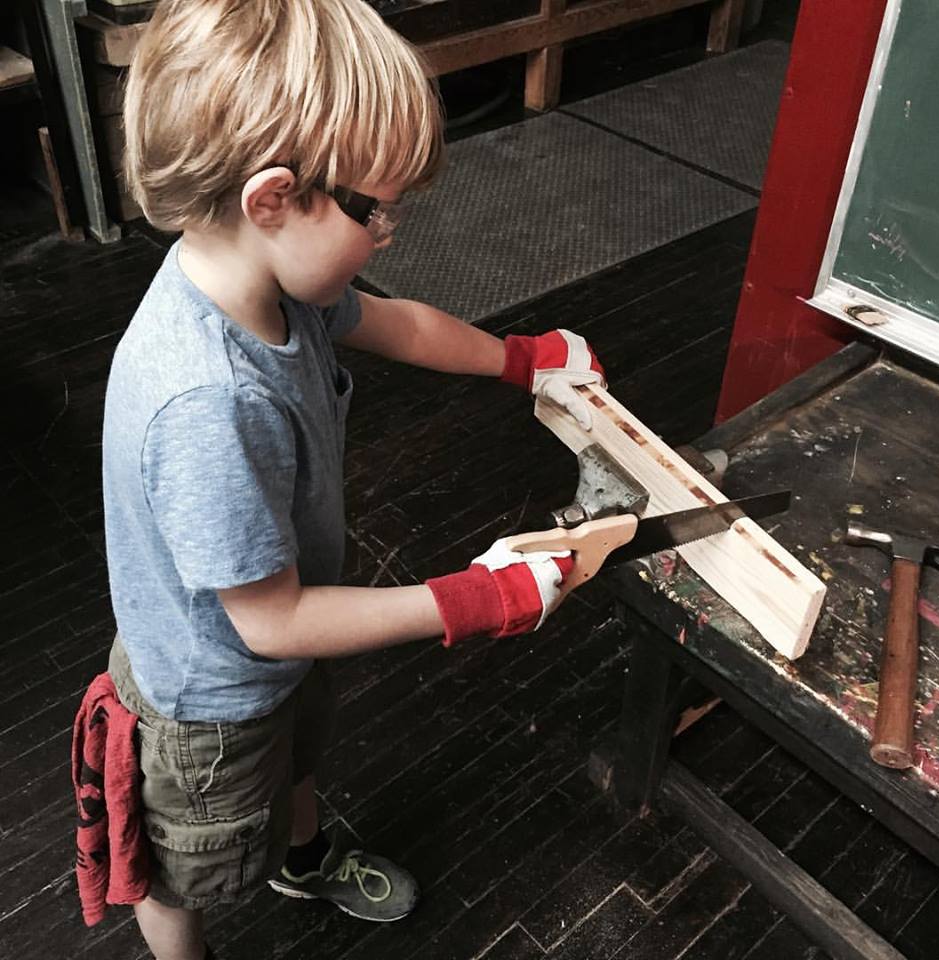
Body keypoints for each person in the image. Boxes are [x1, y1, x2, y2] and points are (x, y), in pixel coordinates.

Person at [102, 1, 605, 957]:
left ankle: (303, 856)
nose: (390, 234)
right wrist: (470, 598)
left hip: (283, 643)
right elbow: (272, 621)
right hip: (209, 697)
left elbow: (399, 322)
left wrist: (520, 358)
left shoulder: (270, 285)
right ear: (272, 199)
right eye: (378, 211)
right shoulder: (206, 400)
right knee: (179, 868)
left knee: (299, 754)